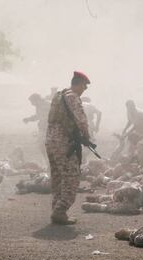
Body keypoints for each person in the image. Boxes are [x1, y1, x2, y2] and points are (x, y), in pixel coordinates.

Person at [45, 71, 90, 225]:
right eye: (84, 86)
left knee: (58, 177)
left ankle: (56, 209)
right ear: (77, 83)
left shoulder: (59, 95)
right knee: (72, 176)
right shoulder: (72, 97)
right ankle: (60, 210)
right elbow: (81, 120)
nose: (85, 89)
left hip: (51, 141)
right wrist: (87, 136)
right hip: (64, 143)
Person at [23, 93, 50, 167]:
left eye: (32, 102)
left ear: (37, 100)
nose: (32, 104)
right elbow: (38, 116)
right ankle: (48, 163)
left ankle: (49, 163)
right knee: (43, 146)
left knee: (43, 146)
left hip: (48, 129)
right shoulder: (40, 105)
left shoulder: (46, 105)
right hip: (45, 129)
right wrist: (29, 119)